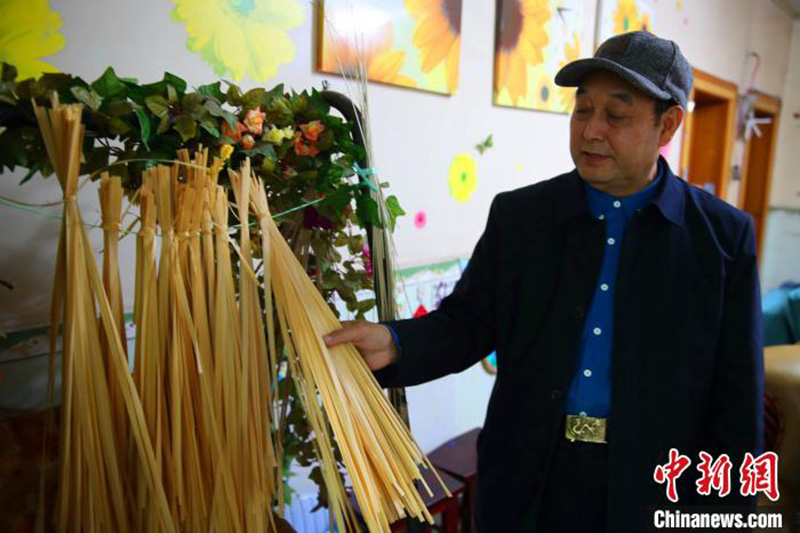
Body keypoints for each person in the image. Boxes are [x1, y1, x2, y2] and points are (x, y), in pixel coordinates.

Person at [324, 31, 764, 533]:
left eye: (616, 116)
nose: (591, 131)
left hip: (653, 489)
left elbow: (736, 402)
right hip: (527, 478)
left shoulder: (722, 238)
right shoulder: (521, 218)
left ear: (667, 125)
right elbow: (470, 322)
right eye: (583, 110)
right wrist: (396, 342)